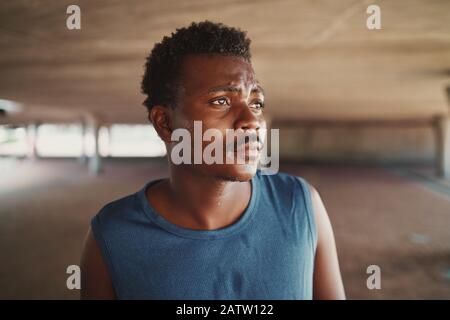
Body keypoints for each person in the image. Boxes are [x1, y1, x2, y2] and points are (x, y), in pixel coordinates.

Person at [80, 21, 345, 300]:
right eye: (221, 101)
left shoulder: (300, 205)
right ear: (165, 123)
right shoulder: (113, 235)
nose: (252, 121)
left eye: (256, 103)